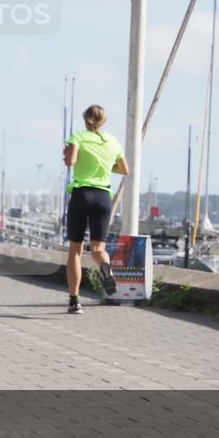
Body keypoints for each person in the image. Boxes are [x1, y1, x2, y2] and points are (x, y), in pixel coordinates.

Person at [62, 104, 128, 314]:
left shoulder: (78, 137)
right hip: (103, 197)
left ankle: (74, 301)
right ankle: (105, 268)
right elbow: (124, 169)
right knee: (99, 249)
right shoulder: (113, 141)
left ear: (85, 120)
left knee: (75, 251)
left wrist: (67, 154)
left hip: (82, 194)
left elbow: (70, 162)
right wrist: (105, 166)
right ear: (103, 120)